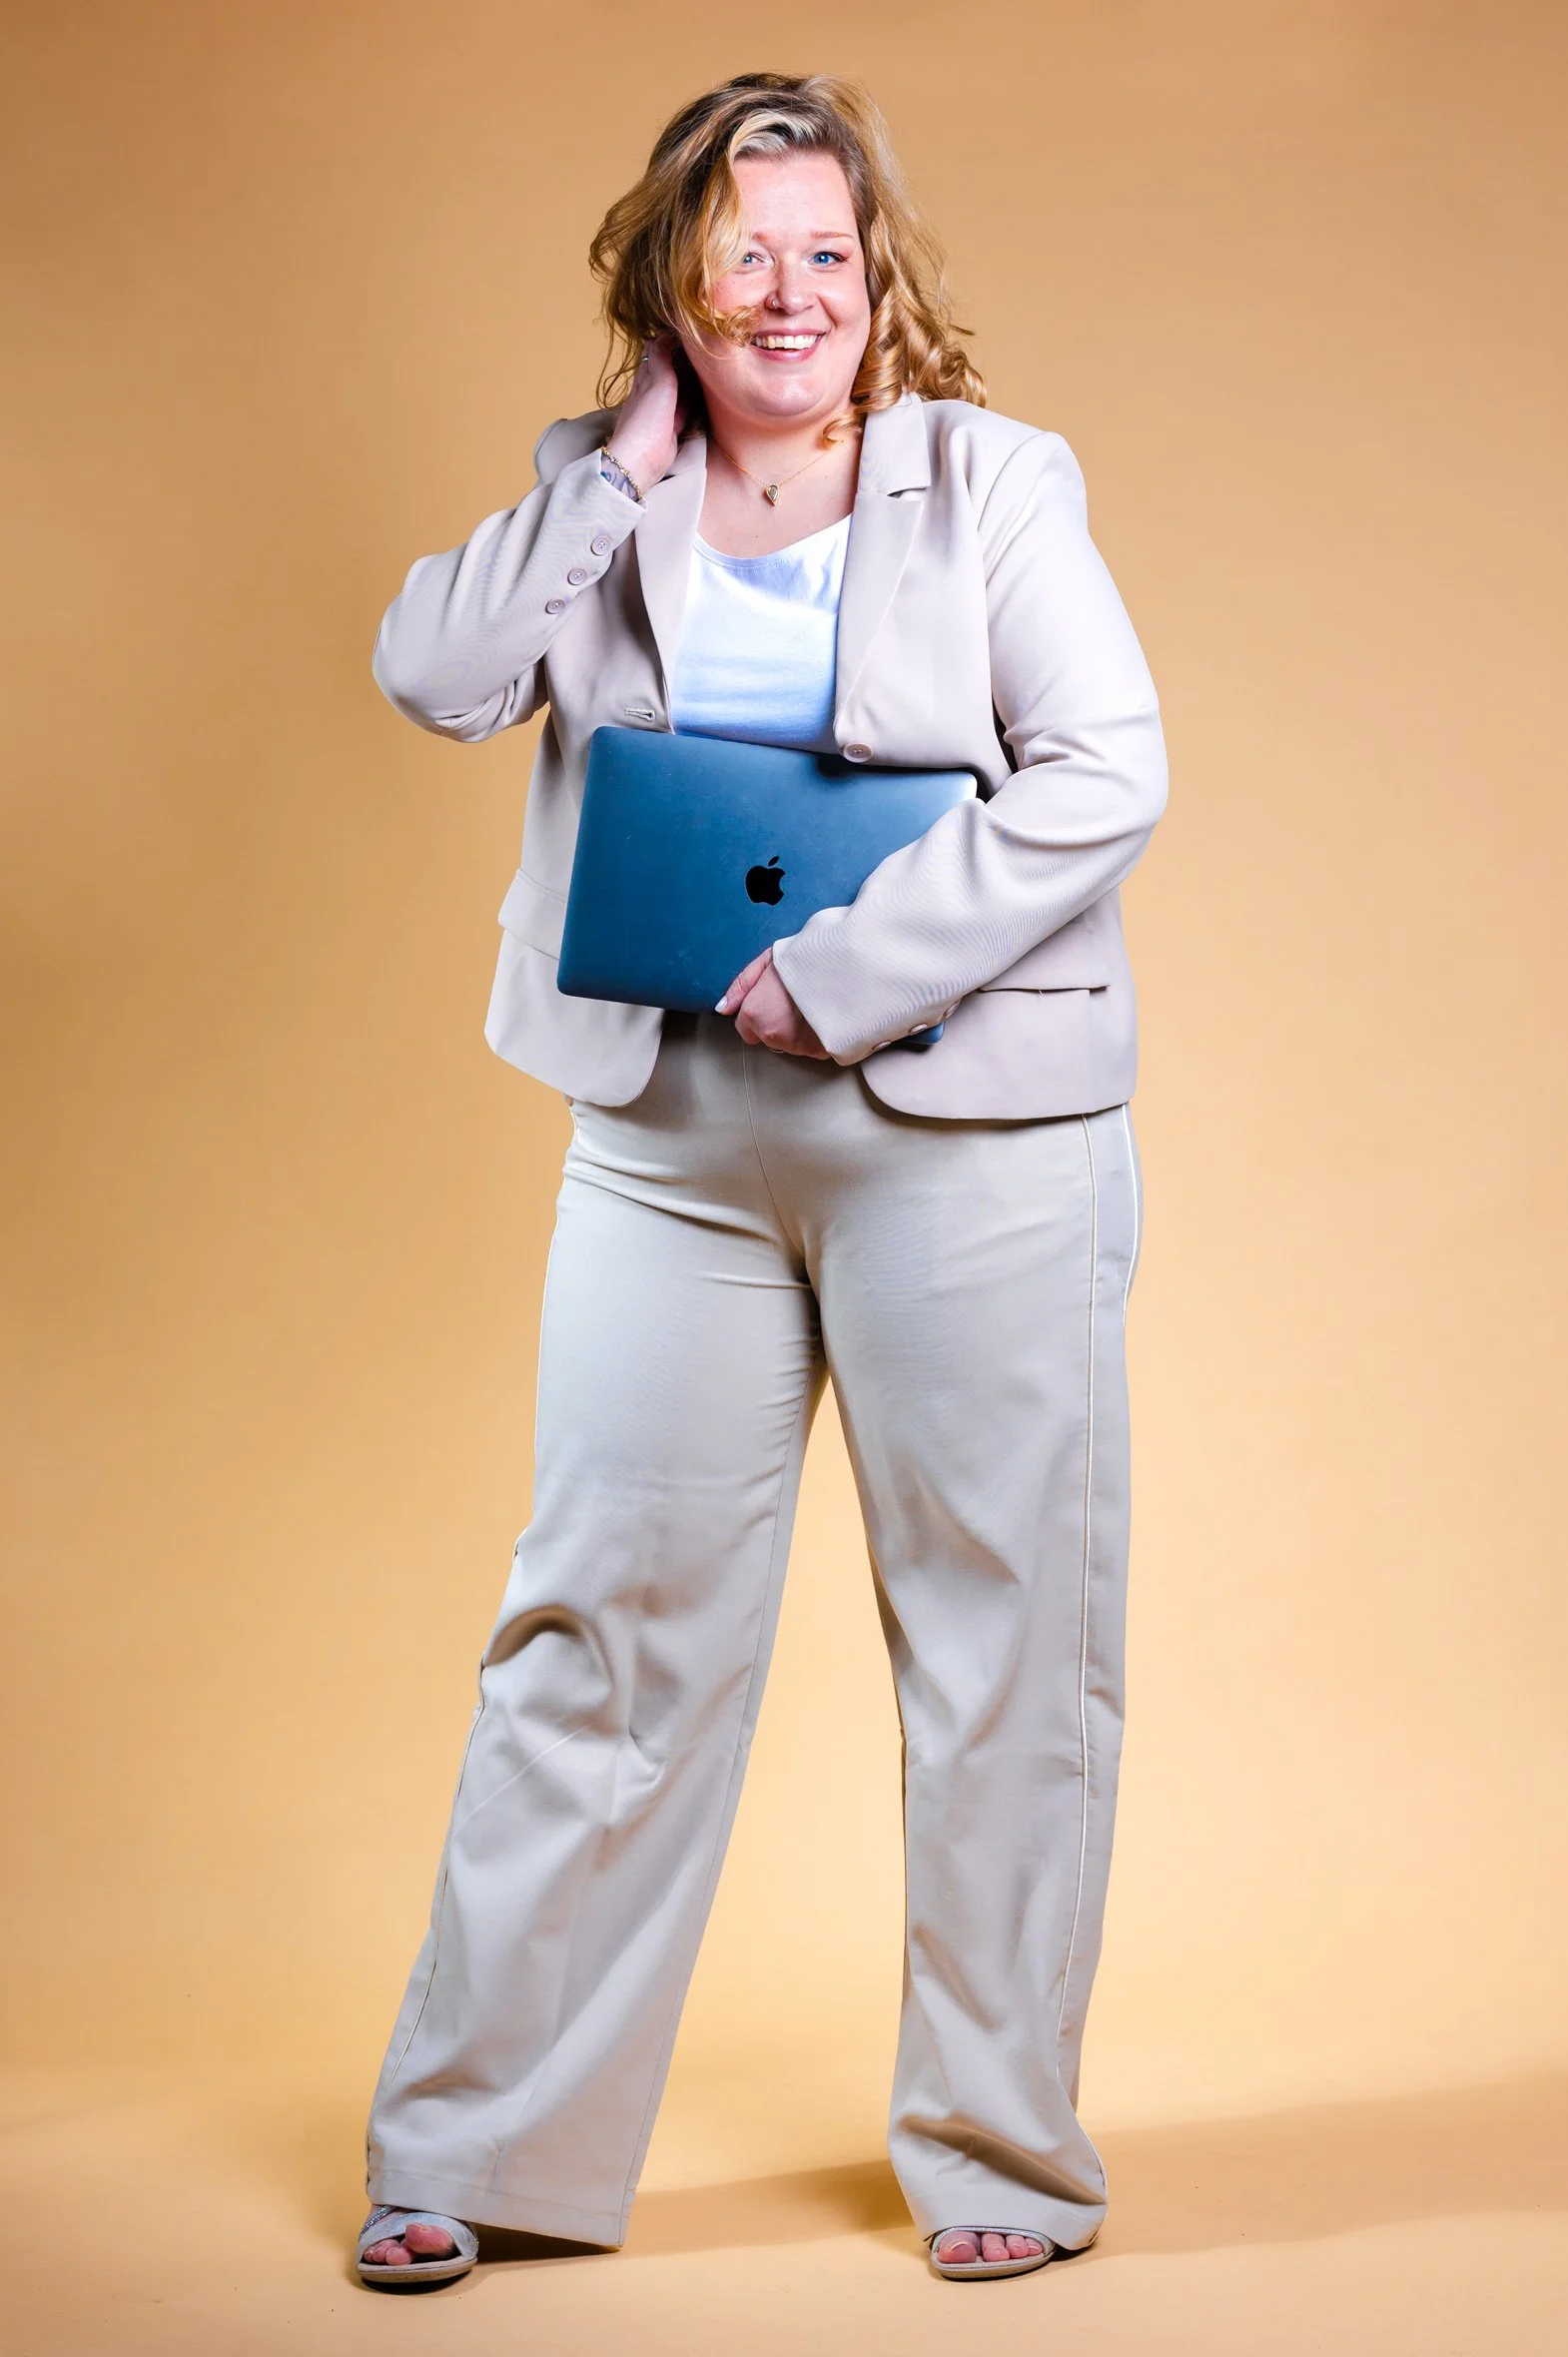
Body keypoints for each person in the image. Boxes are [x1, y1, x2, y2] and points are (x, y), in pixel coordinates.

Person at [357, 70, 1166, 2291]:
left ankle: (998, 2147)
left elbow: (1109, 769)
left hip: (968, 1138)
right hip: (667, 1146)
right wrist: (612, 469)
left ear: (873, 274)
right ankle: (478, 2142)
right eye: (741, 256)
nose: (788, 292)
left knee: (1004, 1647)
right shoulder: (592, 497)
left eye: (825, 251)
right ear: (670, 286)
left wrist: (836, 969)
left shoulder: (990, 484)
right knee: (592, 1637)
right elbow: (429, 676)